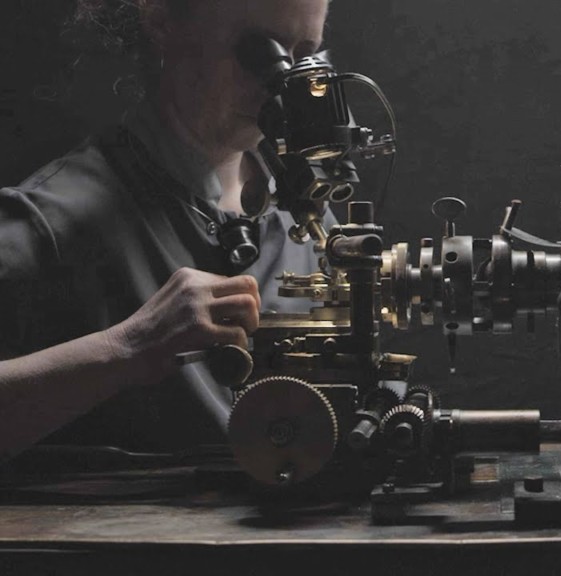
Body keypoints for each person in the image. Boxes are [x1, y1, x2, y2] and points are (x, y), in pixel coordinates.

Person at [0, 0, 333, 458]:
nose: (280, 84)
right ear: (161, 21)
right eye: (258, 50)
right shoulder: (50, 222)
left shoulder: (312, 216)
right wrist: (127, 348)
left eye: (305, 55)